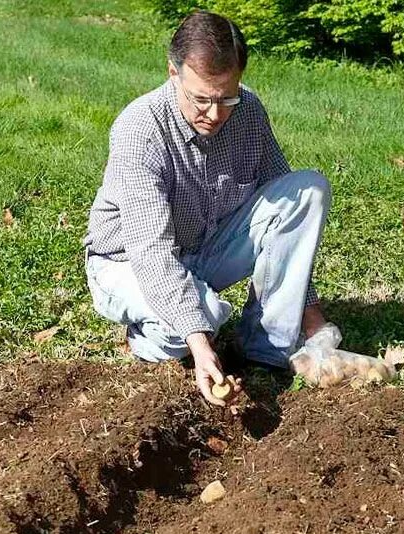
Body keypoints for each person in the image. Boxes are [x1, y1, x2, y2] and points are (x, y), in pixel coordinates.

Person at [83, 10, 333, 405]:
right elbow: (151, 254)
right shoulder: (140, 131)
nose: (215, 114)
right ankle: (149, 337)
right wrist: (200, 346)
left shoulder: (247, 111)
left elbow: (285, 212)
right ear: (173, 73)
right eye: (201, 99)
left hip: (206, 247)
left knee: (307, 191)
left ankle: (265, 346)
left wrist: (314, 319)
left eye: (226, 98)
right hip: (126, 262)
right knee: (196, 324)